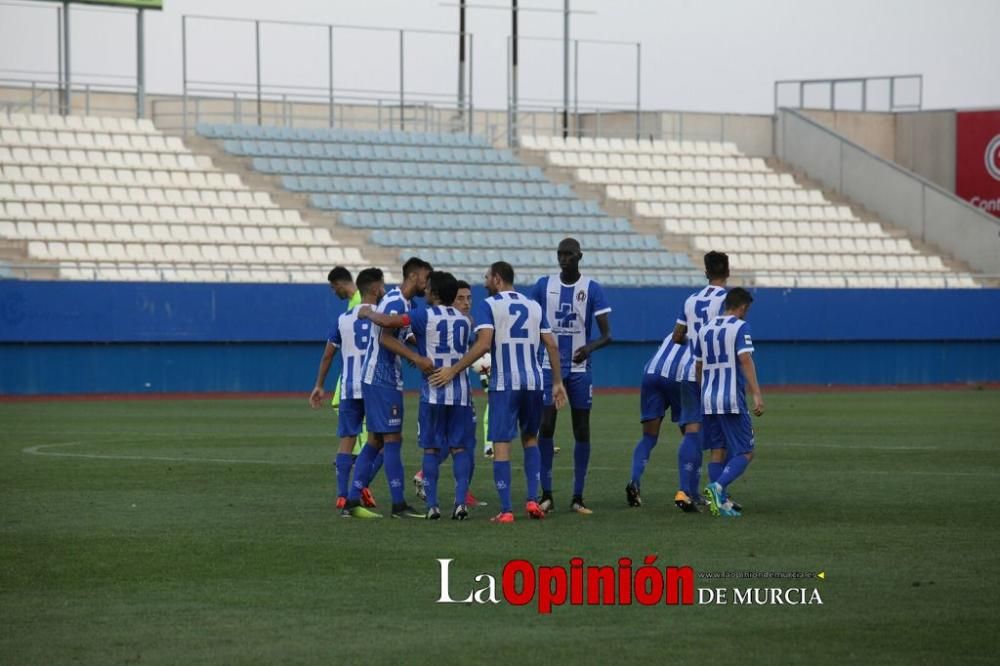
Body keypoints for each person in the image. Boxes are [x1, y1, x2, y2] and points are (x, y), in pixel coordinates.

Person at [430, 261, 567, 524]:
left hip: (505, 383)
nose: (484, 282)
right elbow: (551, 344)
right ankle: (531, 500)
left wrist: (454, 369)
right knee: (530, 440)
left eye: (486, 277)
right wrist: (557, 382)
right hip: (534, 381)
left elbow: (483, 345)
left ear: (497, 278)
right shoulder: (534, 306)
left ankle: (506, 510)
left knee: (502, 445)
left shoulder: (489, 305)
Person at [626, 251, 730, 512]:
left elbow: (676, 336)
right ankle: (693, 491)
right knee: (705, 435)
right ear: (728, 271)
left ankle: (639, 481)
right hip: (705, 372)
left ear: (705, 272)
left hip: (661, 374)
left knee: (655, 436)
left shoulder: (692, 299)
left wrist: (692, 336)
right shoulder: (728, 299)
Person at [343, 257, 433, 519]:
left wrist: (415, 348)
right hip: (382, 378)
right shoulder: (395, 301)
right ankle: (398, 505)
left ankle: (351, 501)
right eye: (425, 277)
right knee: (392, 439)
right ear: (414, 276)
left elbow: (401, 336)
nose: (427, 282)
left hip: (380, 377)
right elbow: (385, 338)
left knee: (376, 439)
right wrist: (415, 357)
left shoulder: (404, 303)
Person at [531, 238, 612, 515]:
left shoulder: (592, 289)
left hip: (579, 371)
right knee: (546, 426)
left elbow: (607, 335)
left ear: (580, 256)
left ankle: (578, 496)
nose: (563, 259)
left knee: (581, 430)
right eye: (560, 254)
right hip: (548, 367)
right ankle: (546, 494)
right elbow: (531, 322)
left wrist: (588, 348)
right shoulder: (543, 286)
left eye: (568, 254)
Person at [309, 268, 385, 517]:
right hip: (374, 385)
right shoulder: (382, 315)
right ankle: (359, 487)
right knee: (381, 441)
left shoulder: (344, 318)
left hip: (348, 386)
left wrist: (319, 384)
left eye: (334, 287)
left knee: (348, 440)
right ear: (375, 289)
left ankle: (343, 495)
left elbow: (328, 353)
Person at [403, 271, 475, 520]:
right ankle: (460, 503)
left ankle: (432, 505)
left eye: (428, 287)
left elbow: (391, 323)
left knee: (431, 450)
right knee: (460, 449)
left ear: (434, 292)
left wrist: (370, 314)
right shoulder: (467, 321)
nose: (424, 290)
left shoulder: (423, 314)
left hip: (433, 393)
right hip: (461, 395)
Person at [694, 288, 764, 518]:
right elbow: (745, 359)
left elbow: (698, 366)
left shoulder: (704, 329)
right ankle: (717, 488)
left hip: (708, 399)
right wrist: (757, 394)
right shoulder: (740, 326)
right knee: (746, 451)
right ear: (742, 307)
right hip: (730, 399)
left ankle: (720, 502)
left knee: (718, 450)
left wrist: (701, 392)